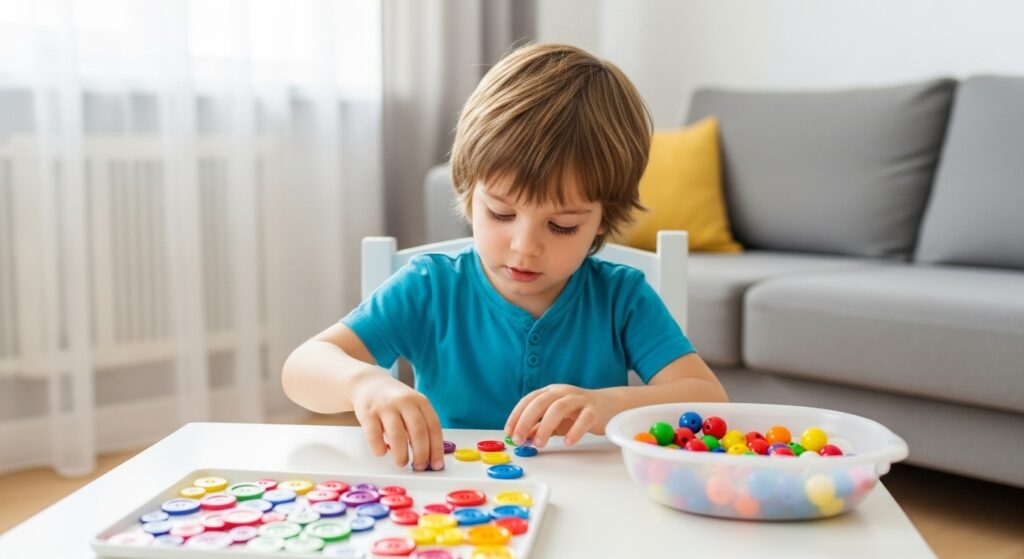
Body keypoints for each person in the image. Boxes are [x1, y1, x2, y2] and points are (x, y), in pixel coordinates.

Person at [282, 42, 727, 472]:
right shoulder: (428, 288)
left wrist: (608, 403)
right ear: (468, 192)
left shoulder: (621, 298)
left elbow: (710, 398)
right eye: (500, 212)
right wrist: (366, 383)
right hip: (449, 509)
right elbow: (302, 368)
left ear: (602, 221)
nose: (524, 246)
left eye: (562, 226)